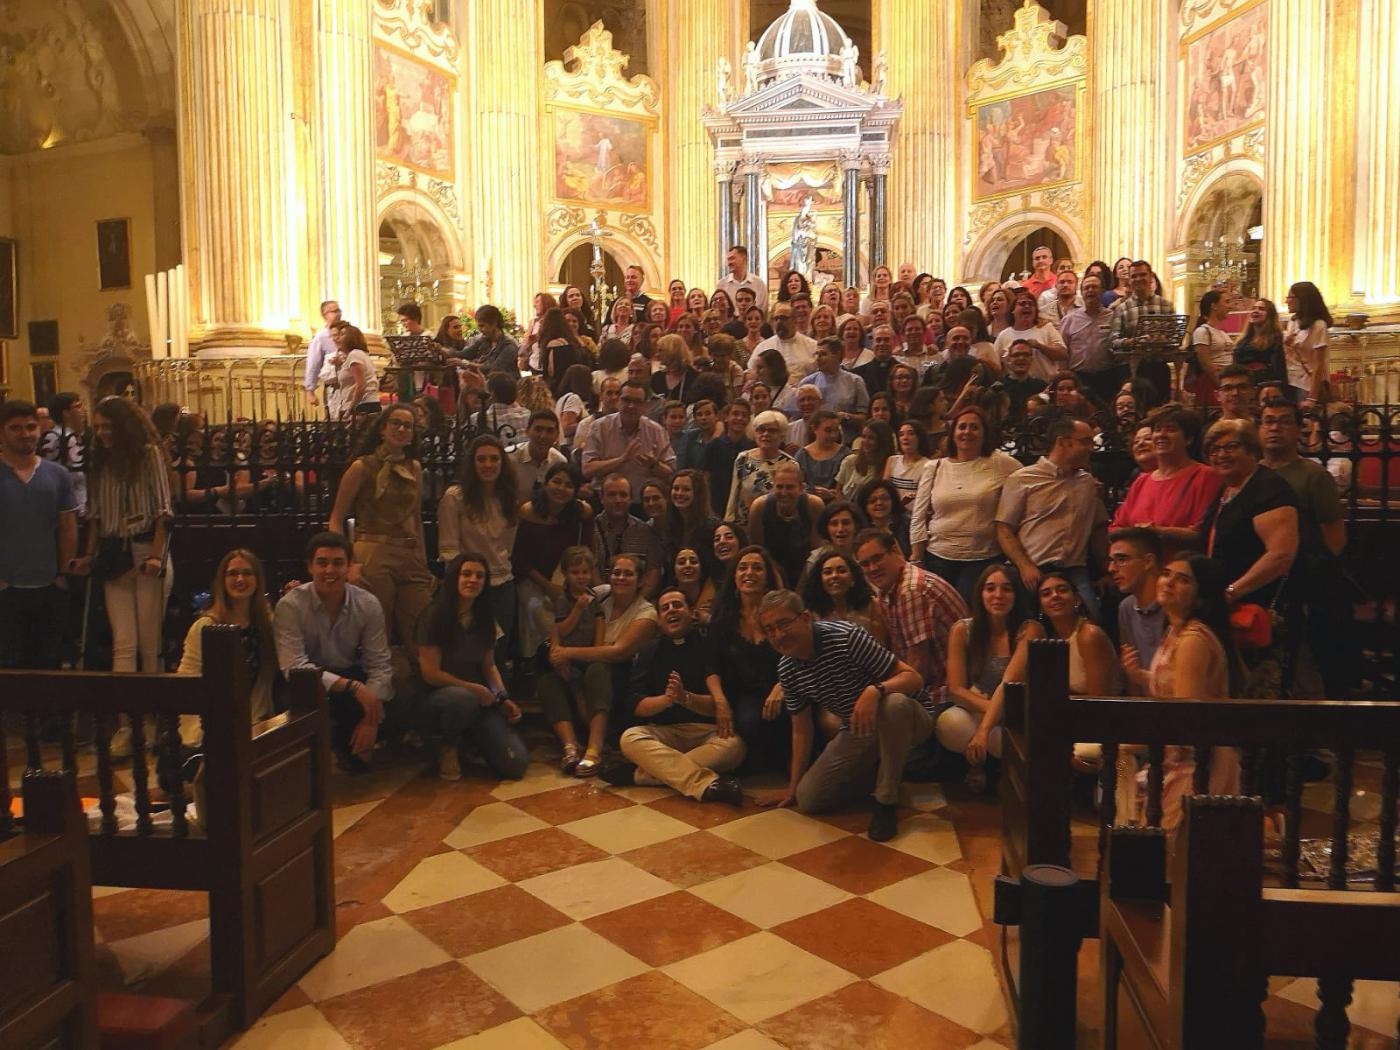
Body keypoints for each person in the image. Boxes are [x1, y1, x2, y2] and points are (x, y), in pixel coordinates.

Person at [756, 590, 932, 841]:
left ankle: (886, 801)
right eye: (769, 629)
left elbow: (913, 678)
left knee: (893, 705)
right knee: (809, 799)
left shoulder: (846, 637)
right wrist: (793, 786)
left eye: (784, 623)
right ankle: (884, 775)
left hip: (911, 717)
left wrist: (875, 690)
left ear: (805, 618)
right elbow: (801, 728)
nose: (778, 635)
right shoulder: (787, 668)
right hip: (859, 727)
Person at [1119, 556, 1242, 830]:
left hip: (1196, 763)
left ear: (1200, 595)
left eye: (1183, 579)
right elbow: (1175, 686)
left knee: (1172, 856)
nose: (1170, 582)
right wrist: (1141, 676)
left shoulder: (1193, 640)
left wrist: (1132, 742)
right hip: (1177, 757)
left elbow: (1185, 718)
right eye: (1166, 574)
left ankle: (1267, 827)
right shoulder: (1175, 631)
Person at [602, 589, 745, 804]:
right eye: (665, 608)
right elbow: (637, 706)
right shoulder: (649, 651)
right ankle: (704, 784)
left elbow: (718, 707)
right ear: (659, 619)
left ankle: (642, 775)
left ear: (692, 612)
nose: (671, 611)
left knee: (735, 746)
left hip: (705, 733)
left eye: (677, 605)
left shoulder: (709, 644)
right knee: (630, 737)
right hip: (664, 733)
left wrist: (685, 698)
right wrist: (668, 700)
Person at [965, 566, 1118, 766]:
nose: (1055, 596)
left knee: (1042, 747)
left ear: (1077, 599)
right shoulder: (1050, 640)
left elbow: (1097, 704)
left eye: (1062, 590)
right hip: (1067, 720)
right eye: (1046, 593)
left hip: (1101, 724)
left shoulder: (1089, 635)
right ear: (1041, 606)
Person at [274, 533, 393, 772]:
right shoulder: (290, 605)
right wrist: (352, 687)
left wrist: (371, 717)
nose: (330, 570)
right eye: (322, 562)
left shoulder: (368, 604)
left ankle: (350, 745)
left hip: (347, 676)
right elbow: (294, 667)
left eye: (338, 563)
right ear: (310, 567)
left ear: (349, 567)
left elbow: (379, 664)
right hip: (304, 681)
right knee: (293, 700)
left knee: (389, 707)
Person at [73, 397, 172, 676]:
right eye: (98, 427)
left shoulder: (148, 454)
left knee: (150, 642)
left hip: (144, 548)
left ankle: (151, 713)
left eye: (108, 427)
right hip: (114, 552)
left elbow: (163, 511)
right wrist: (89, 555)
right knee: (124, 641)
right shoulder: (99, 460)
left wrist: (155, 556)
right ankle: (126, 716)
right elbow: (95, 516)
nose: (102, 433)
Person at [328, 404, 436, 660]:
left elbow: (416, 517)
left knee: (422, 624)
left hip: (408, 553)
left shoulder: (414, 468)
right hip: (373, 551)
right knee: (378, 629)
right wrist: (349, 564)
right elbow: (335, 519)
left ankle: (424, 684)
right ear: (382, 429)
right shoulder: (361, 467)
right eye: (395, 423)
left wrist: (422, 559)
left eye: (407, 425)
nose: (401, 429)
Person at [1259, 398, 1350, 695]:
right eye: (1269, 421)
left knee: (1303, 661)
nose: (1275, 428)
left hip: (1302, 583)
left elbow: (1334, 535)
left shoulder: (1313, 476)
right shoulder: (1252, 472)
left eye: (1284, 421)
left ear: (1299, 429)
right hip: (1259, 577)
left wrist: (1317, 575)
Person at [417, 552, 528, 781]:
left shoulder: (486, 618)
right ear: (454, 577)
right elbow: (430, 674)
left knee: (516, 764)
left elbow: (489, 666)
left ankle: (472, 742)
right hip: (439, 697)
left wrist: (501, 696)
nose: (473, 580)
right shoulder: (433, 616)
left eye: (479, 576)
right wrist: (472, 688)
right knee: (461, 699)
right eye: (466, 574)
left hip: (478, 699)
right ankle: (447, 746)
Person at [545, 552, 659, 773]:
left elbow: (618, 652)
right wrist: (556, 651)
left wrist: (567, 652)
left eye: (628, 574)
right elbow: (557, 620)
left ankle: (594, 749)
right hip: (582, 664)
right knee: (549, 681)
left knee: (597, 670)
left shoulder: (646, 613)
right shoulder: (597, 594)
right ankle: (570, 746)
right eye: (616, 573)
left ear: (640, 580)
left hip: (619, 674)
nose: (621, 578)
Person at [995, 415, 1108, 618]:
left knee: (1092, 618)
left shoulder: (1087, 483)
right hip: (1033, 569)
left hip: (1073, 569)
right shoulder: (1023, 479)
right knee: (1028, 626)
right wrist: (1025, 565)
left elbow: (1097, 529)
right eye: (1085, 442)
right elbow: (1003, 528)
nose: (1091, 447)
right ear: (1063, 442)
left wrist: (1105, 571)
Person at [910, 405, 1021, 603]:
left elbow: (1029, 482)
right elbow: (918, 517)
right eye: (962, 427)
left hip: (982, 559)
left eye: (974, 427)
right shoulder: (934, 467)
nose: (967, 432)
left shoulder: (1001, 463)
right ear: (953, 433)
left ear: (984, 433)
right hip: (938, 557)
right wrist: (917, 559)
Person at [0, 401, 78, 670]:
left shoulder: (57, 474)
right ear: (2, 432)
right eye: (16, 428)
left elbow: (68, 524)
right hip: (6, 586)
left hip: (48, 584)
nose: (25, 434)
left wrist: (62, 573)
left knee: (48, 662)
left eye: (31, 427)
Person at [933, 563, 1035, 766]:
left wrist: (984, 731)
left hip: (1017, 710)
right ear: (980, 593)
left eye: (1007, 589)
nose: (998, 595)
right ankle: (984, 764)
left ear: (1017, 594)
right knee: (949, 724)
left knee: (1005, 736)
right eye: (990, 588)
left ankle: (989, 766)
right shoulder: (962, 630)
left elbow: (1008, 684)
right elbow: (956, 689)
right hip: (979, 708)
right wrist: (991, 712)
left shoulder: (1029, 629)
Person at [177, 548, 278, 751]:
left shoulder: (266, 624)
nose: (240, 579)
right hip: (210, 721)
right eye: (232, 574)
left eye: (247, 573)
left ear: (257, 579)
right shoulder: (205, 625)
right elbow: (187, 679)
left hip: (255, 717)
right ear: (222, 581)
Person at [855, 528, 967, 701]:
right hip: (930, 685)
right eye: (865, 564)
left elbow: (918, 668)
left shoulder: (911, 591)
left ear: (894, 552)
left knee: (888, 705)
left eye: (877, 558)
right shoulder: (889, 588)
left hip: (946, 693)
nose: (872, 568)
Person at [1199, 418, 1299, 609]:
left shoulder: (1268, 489)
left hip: (1256, 605)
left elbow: (1281, 556)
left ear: (1252, 450)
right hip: (1227, 602)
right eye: (1214, 450)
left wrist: (1231, 592)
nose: (1221, 455)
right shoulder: (1226, 489)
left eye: (1231, 447)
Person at [437, 433, 520, 661]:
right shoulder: (455, 498)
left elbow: (508, 546)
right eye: (481, 459)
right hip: (468, 585)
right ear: (472, 463)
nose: (488, 465)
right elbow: (449, 549)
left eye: (494, 459)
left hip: (502, 583)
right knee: (468, 652)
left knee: (498, 652)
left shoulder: (509, 499)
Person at [707, 546, 789, 773]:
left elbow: (797, 655)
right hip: (744, 693)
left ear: (768, 577)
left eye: (757, 568)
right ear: (734, 576)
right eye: (742, 568)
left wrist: (782, 685)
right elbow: (711, 666)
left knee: (787, 712)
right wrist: (720, 702)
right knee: (749, 720)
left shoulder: (781, 611)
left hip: (784, 686)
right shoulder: (722, 616)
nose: (749, 572)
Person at [1110, 403, 1222, 551]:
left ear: (1188, 439)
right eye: (1157, 430)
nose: (1161, 435)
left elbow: (1202, 533)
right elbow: (1116, 527)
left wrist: (1156, 532)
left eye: (1171, 430)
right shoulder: (1142, 481)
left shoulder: (1206, 476)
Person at [582, 380, 676, 497]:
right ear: (618, 401)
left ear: (645, 406)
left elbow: (671, 473)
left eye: (637, 402)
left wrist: (654, 465)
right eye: (626, 400)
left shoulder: (656, 431)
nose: (631, 406)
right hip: (605, 501)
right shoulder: (599, 427)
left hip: (643, 502)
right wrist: (621, 459)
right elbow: (587, 470)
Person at [1108, 527, 1167, 693]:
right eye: (1111, 560)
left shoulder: (1173, 604)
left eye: (1121, 559)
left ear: (1148, 562)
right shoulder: (1126, 608)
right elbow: (1131, 674)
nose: (1111, 568)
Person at [748, 461, 824, 590]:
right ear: (772, 487)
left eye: (790, 487)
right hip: (770, 570)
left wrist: (800, 589)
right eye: (779, 487)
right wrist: (778, 585)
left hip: (806, 568)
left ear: (801, 488)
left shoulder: (814, 505)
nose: (784, 492)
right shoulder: (759, 507)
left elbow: (816, 552)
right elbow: (757, 551)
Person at [1108, 261, 1176, 396]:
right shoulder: (1122, 308)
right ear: (1129, 280)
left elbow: (1175, 337)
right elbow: (1112, 343)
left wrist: (1164, 340)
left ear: (1151, 276)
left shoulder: (1166, 306)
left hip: (1159, 368)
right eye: (1134, 276)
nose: (1138, 279)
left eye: (1143, 275)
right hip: (1133, 370)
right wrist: (1132, 342)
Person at [802, 547, 888, 646]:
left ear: (853, 579)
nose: (834, 576)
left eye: (842, 571)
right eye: (828, 572)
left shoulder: (871, 606)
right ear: (820, 581)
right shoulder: (813, 614)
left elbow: (881, 648)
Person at [725, 409, 796, 525]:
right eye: (761, 430)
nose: (765, 434)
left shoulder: (791, 464)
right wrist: (728, 522)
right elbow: (733, 495)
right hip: (744, 525)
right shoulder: (743, 458)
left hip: (777, 524)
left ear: (782, 435)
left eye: (772, 431)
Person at [1058, 273, 1120, 404]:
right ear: (1081, 292)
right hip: (1079, 378)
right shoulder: (1069, 319)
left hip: (1107, 378)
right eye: (1087, 288)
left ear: (1102, 290)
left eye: (1094, 287)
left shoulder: (1113, 317)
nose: (1090, 290)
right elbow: (1063, 352)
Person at [994, 290, 1068, 381]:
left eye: (1031, 304)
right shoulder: (1004, 335)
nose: (1027, 306)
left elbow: (1063, 354)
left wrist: (1040, 346)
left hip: (1045, 387)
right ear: (1013, 310)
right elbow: (995, 364)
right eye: (1022, 304)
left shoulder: (1046, 328)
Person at [703, 399, 754, 516]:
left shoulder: (753, 448)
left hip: (743, 510)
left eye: (744, 415)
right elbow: (705, 479)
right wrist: (708, 509)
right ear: (726, 417)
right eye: (735, 414)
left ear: (749, 420)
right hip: (717, 508)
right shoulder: (713, 446)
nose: (740, 418)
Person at [1283, 281, 1332, 403]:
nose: (1286, 301)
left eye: (1290, 297)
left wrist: (1312, 396)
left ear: (1302, 299)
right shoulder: (1293, 322)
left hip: (1307, 384)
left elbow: (1318, 364)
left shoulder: (1319, 326)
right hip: (1290, 381)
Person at [1188, 289, 1235, 406]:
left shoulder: (1222, 332)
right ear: (1214, 306)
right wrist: (1221, 385)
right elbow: (1205, 363)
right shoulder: (1202, 331)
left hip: (1226, 377)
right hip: (1212, 382)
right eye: (1226, 302)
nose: (1230, 307)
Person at [746, 302, 816, 379]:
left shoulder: (812, 346)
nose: (779, 322)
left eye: (783, 318)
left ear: (795, 320)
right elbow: (751, 371)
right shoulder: (764, 347)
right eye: (776, 319)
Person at [794, 410, 850, 502]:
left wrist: (834, 493)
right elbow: (796, 483)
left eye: (835, 430)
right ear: (814, 429)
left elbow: (848, 486)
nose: (833, 435)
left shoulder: (845, 454)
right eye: (828, 430)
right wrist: (812, 491)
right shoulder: (803, 455)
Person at [509, 410, 567, 495]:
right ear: (527, 431)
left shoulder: (559, 462)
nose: (543, 436)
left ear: (557, 436)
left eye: (550, 431)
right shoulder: (509, 458)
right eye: (538, 429)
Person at [1232, 298, 1287, 385]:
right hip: (1242, 383)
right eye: (1254, 308)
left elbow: (1278, 367)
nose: (1255, 311)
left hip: (1263, 383)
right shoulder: (1244, 339)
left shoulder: (1275, 338)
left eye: (1261, 309)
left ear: (1270, 315)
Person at [836, 419, 894, 500]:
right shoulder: (849, 461)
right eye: (863, 436)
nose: (865, 441)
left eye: (871, 438)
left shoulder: (891, 466)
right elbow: (838, 491)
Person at [883, 419, 931, 510]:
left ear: (920, 438)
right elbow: (884, 490)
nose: (905, 438)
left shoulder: (928, 465)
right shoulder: (892, 460)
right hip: (893, 513)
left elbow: (926, 498)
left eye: (911, 433)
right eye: (901, 434)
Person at [303, 300, 343, 408]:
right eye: (333, 311)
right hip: (335, 387)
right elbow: (313, 364)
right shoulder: (321, 337)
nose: (338, 314)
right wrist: (310, 391)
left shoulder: (350, 332)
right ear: (325, 314)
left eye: (338, 310)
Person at [467, 304, 521, 377]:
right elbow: (467, 353)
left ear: (494, 323)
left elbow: (494, 368)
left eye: (482, 326)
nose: (480, 330)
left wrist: (468, 364)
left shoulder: (509, 345)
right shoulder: (484, 341)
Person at [673, 546, 716, 622]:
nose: (688, 565)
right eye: (681, 563)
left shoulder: (716, 599)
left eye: (694, 562)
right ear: (674, 571)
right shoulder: (666, 600)